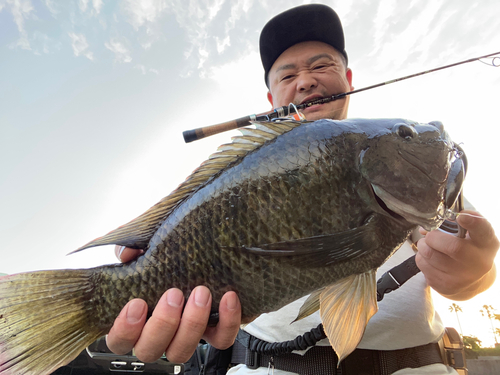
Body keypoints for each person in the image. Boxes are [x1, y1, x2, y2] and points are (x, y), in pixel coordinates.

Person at [105, 4, 499, 374]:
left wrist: (474, 273)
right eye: (288, 75)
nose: (306, 80)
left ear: (347, 79)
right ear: (271, 98)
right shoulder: (237, 175)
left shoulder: (412, 172)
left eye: (321, 65)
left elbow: (470, 269)